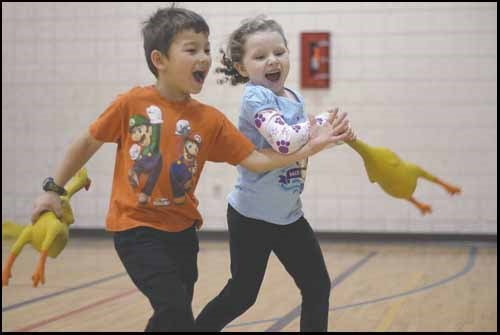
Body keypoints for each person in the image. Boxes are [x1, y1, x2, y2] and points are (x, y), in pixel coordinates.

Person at [29, 7, 352, 332]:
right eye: (192, 49)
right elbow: (87, 142)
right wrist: (52, 189)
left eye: (207, 49)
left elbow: (255, 159)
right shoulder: (131, 104)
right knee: (178, 310)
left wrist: (323, 139)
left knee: (178, 316)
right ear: (160, 60)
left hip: (184, 232)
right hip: (138, 227)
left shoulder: (210, 120)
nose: (204, 57)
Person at [195, 16, 356, 332]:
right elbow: (284, 142)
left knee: (317, 286)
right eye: (260, 56)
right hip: (252, 216)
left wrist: (333, 134)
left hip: (289, 216)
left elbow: (302, 141)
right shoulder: (256, 96)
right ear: (243, 69)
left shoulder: (292, 96)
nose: (273, 60)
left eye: (279, 52)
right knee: (243, 295)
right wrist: (318, 125)